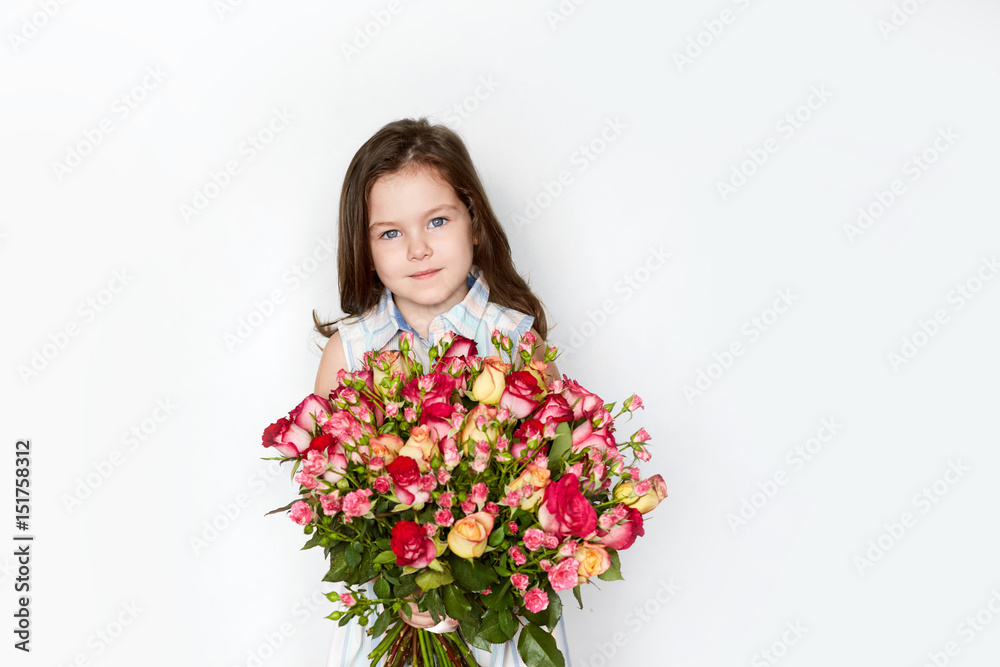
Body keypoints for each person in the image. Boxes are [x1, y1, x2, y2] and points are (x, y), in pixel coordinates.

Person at [312, 117, 572, 666]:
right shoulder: (351, 352)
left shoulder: (514, 342)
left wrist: (470, 578)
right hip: (397, 615)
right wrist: (407, 587)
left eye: (436, 221)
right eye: (390, 233)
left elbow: (548, 482)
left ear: (474, 223)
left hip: (494, 613)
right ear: (365, 248)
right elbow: (333, 497)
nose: (417, 249)